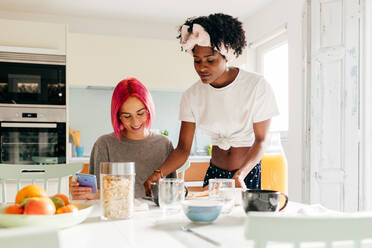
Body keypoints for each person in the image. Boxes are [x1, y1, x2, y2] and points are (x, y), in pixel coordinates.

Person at [144, 13, 279, 194]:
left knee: (242, 222)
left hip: (246, 175)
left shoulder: (256, 86)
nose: (202, 67)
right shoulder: (192, 95)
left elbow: (261, 141)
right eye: (196, 60)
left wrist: (240, 175)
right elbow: (183, 149)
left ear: (227, 55)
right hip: (214, 174)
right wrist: (158, 174)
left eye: (210, 60)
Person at [70, 77, 175, 200]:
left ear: (149, 110)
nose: (135, 122)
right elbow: (97, 194)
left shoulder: (164, 144)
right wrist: (82, 193)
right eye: (126, 116)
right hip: (118, 216)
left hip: (155, 216)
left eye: (140, 113)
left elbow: (173, 192)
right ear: (118, 116)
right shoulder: (104, 145)